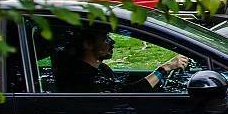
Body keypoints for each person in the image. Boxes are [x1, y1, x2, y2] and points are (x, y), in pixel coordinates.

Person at [55, 23, 191, 93]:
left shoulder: (101, 68)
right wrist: (165, 68)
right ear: (88, 44)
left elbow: (122, 87)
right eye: (105, 38)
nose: (112, 42)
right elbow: (128, 94)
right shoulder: (83, 78)